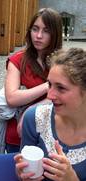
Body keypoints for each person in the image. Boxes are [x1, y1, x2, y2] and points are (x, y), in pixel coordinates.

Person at [14, 48, 86, 181]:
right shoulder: (35, 119)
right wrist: (23, 175)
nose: (49, 95)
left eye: (61, 88)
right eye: (50, 84)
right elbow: (24, 172)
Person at [3, 7, 63, 153]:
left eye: (46, 31)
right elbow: (12, 97)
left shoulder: (62, 62)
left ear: (55, 34)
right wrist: (48, 86)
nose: (39, 35)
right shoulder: (18, 60)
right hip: (19, 133)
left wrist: (32, 109)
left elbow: (69, 95)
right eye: (35, 29)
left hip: (51, 134)